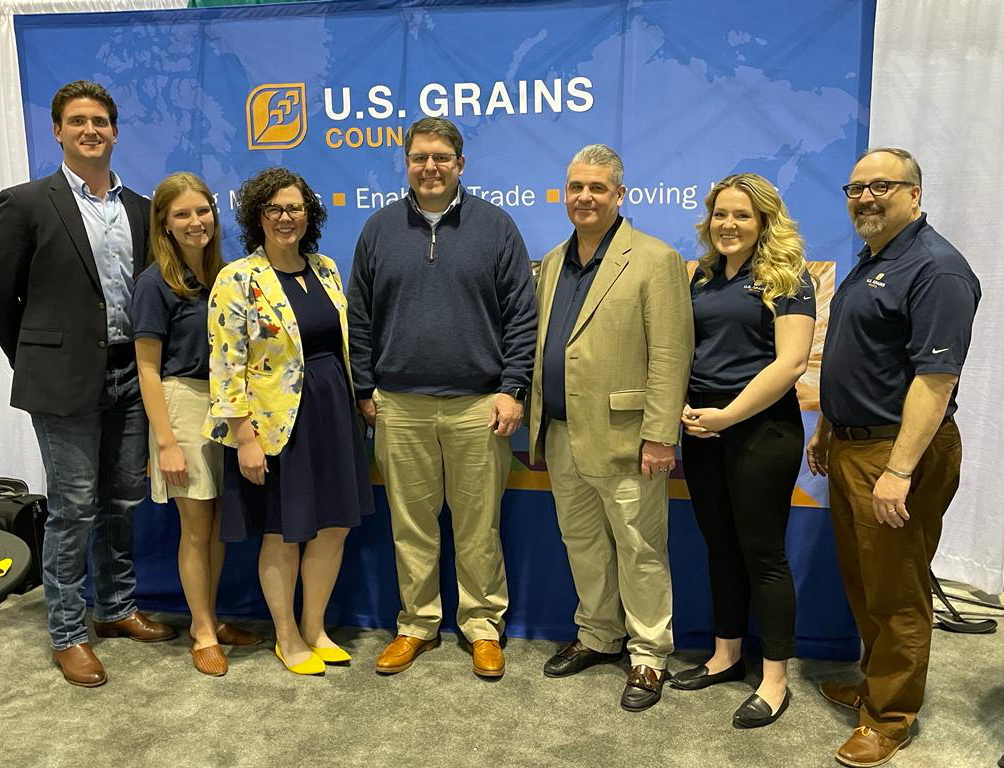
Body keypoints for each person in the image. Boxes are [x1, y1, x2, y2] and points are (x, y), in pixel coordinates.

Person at [0, 80, 175, 688]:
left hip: (130, 372)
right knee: (73, 508)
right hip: (62, 382)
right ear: (59, 132)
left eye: (101, 121)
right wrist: (36, 359)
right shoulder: (26, 201)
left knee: (121, 500)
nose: (91, 129)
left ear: (115, 132)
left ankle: (115, 609)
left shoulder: (141, 209)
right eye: (77, 121)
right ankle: (68, 631)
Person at [807, 148, 980, 767]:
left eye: (880, 186)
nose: (865, 198)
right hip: (854, 445)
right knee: (865, 581)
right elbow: (857, 358)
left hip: (897, 452)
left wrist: (899, 471)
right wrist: (827, 428)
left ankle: (890, 717)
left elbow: (934, 382)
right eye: (854, 189)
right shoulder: (872, 261)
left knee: (898, 590)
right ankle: (874, 684)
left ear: (914, 193)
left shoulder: (937, 270)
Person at [347, 117, 536, 678]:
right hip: (399, 405)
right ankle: (417, 625)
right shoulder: (379, 229)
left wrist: (512, 389)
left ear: (460, 164)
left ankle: (482, 626)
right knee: (411, 526)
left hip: (479, 405)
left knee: (479, 527)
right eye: (419, 157)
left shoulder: (496, 228)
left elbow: (521, 317)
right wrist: (364, 387)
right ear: (406, 163)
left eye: (441, 157)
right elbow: (358, 316)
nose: (429, 167)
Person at [528, 144, 693, 711]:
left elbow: (671, 355)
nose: (585, 197)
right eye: (576, 187)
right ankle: (598, 634)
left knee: (640, 547)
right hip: (562, 432)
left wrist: (660, 435)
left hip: (628, 437)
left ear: (620, 195)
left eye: (597, 188)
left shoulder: (654, 258)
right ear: (564, 193)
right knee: (583, 543)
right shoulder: (551, 262)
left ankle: (648, 655)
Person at [205, 167, 373, 676]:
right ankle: (287, 636)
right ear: (258, 215)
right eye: (274, 208)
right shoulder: (237, 279)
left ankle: (316, 627)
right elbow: (226, 365)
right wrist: (244, 438)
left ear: (309, 215)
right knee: (284, 532)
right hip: (276, 426)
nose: (285, 217)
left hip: (332, 413)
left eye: (294, 208)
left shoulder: (325, 269)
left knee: (334, 528)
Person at [671, 173, 815, 729]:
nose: (728, 225)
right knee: (719, 547)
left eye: (742, 216)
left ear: (764, 223)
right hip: (703, 426)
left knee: (762, 553)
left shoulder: (787, 277)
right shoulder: (703, 277)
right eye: (720, 215)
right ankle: (725, 654)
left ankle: (774, 679)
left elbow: (791, 363)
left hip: (761, 429)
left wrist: (729, 416)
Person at [131, 172, 261, 677]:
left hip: (227, 404)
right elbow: (146, 367)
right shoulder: (153, 283)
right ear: (164, 223)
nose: (194, 222)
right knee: (195, 526)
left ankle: (209, 617)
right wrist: (165, 443)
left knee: (219, 528)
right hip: (181, 404)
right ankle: (203, 630)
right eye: (181, 214)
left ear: (214, 213)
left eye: (201, 211)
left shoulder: (225, 276)